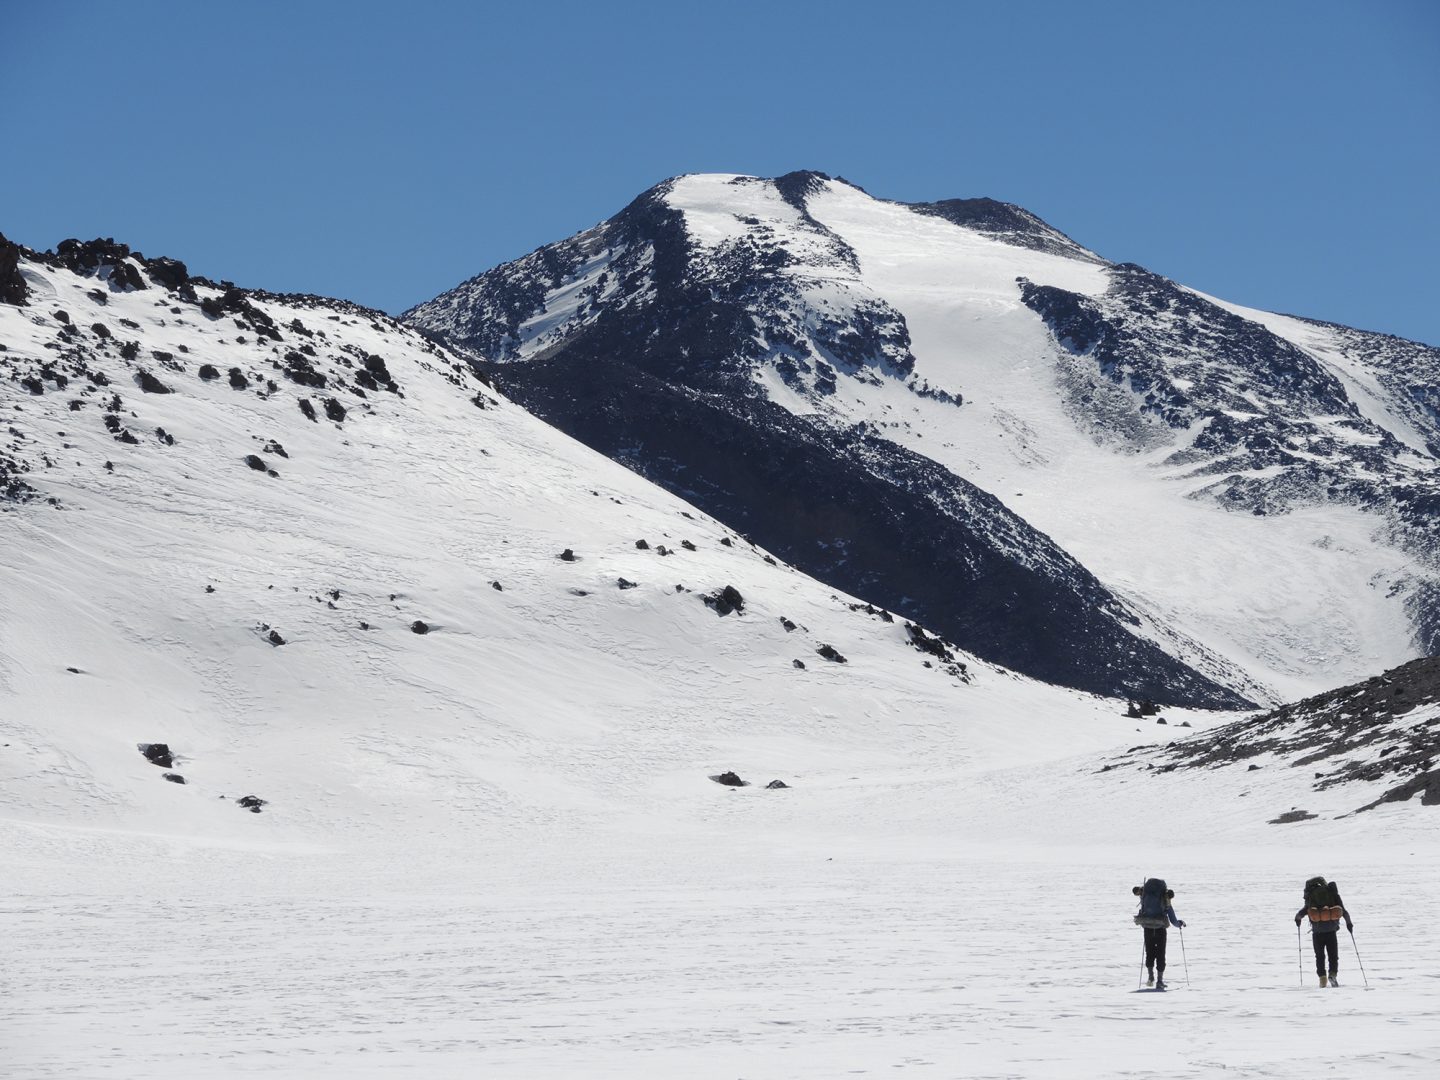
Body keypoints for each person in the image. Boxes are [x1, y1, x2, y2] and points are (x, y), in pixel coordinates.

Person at [1295, 876, 1353, 987]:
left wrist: (1298, 919)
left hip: (1317, 933)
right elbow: (1344, 912)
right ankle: (1332, 975)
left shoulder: (1311, 896)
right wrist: (1349, 924)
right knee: (1333, 956)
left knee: (1320, 956)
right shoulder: (1332, 894)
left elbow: (1303, 912)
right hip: (1331, 931)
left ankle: (1322, 979)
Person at [1132, 879, 1186, 989]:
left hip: (1147, 928)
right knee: (1160, 954)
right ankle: (1160, 981)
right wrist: (1179, 924)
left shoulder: (1144, 897)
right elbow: (1172, 919)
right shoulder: (1164, 899)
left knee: (1149, 953)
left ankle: (1150, 977)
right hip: (1160, 929)